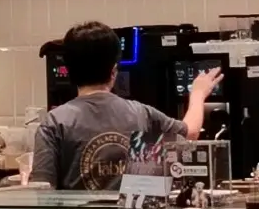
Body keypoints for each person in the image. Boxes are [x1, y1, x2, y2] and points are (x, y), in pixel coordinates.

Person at [32, 21, 219, 190]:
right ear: (114, 71)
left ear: (69, 71)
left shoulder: (54, 122)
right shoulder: (141, 113)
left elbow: (42, 190)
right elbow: (190, 134)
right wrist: (198, 94)